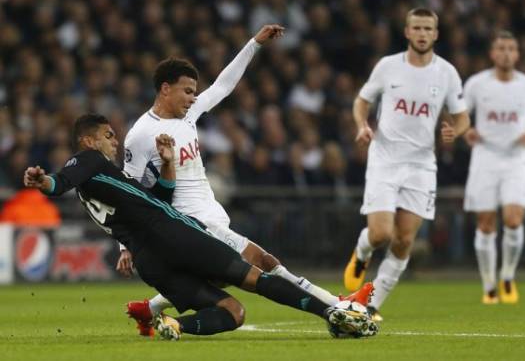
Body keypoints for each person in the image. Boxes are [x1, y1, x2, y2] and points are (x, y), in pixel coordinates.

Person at [23, 114, 377, 340]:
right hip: (175, 235)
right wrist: (44, 182)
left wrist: (166, 164)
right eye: (107, 135)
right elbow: (61, 180)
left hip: (151, 262)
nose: (114, 141)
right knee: (255, 277)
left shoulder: (104, 180)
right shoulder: (88, 160)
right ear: (88, 141)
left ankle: (175, 325)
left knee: (232, 313)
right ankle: (332, 312)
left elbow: (159, 195)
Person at [119, 24, 342, 334]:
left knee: (219, 277)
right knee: (263, 262)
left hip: (211, 213)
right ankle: (335, 304)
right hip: (191, 221)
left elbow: (223, 85)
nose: (192, 98)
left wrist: (254, 44)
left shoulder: (189, 115)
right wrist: (124, 246)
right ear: (165, 88)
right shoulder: (141, 135)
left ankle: (150, 309)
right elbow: (124, 192)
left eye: (194, 92)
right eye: (186, 91)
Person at [343, 8, 470, 321]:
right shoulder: (388, 67)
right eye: (417, 28)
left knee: (404, 240)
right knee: (381, 234)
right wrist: (362, 125)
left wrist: (457, 130)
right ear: (407, 32)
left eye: (428, 28)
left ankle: (371, 304)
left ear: (436, 34)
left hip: (421, 166)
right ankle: (361, 252)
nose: (423, 33)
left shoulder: (447, 73)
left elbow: (463, 116)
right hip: (385, 160)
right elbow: (362, 101)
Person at [462, 31, 525, 304]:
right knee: (486, 224)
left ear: (518, 54)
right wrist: (468, 131)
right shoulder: (477, 84)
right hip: (485, 156)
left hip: (516, 158)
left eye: (512, 48)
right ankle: (489, 286)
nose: (507, 53)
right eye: (501, 48)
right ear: (492, 53)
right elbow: (461, 114)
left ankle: (507, 276)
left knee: (513, 219)